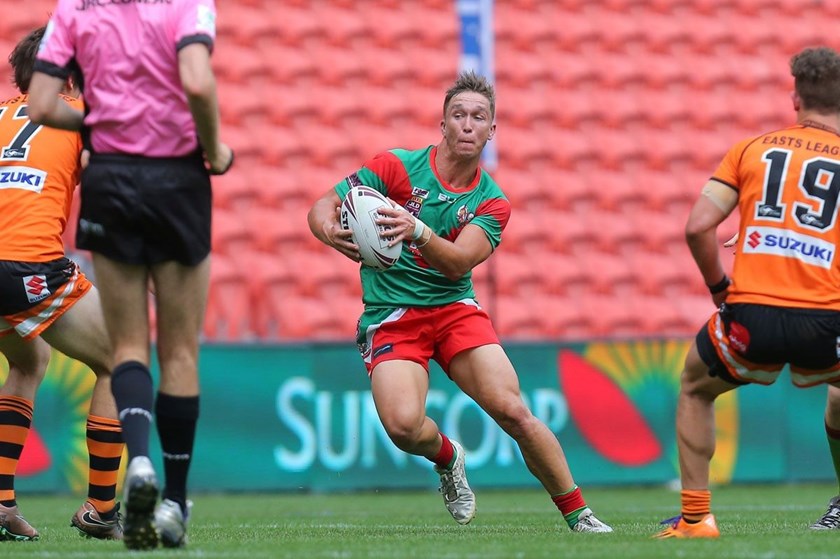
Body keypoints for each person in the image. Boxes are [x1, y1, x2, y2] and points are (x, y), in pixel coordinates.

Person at [307, 70, 612, 533]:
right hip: (393, 316)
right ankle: (449, 458)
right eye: (459, 115)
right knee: (404, 427)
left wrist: (418, 231)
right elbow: (322, 204)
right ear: (442, 124)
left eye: (479, 117)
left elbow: (458, 262)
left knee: (514, 410)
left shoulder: (493, 202)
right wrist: (331, 232)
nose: (468, 124)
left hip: (454, 312)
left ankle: (580, 515)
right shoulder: (396, 167)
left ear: (492, 130)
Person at [28, 0, 233, 550]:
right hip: (178, 179)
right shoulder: (188, 5)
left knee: (126, 347)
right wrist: (216, 150)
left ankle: (137, 463)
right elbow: (197, 81)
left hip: (111, 181)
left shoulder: (72, 8)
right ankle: (174, 501)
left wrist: (98, 121)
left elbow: (43, 103)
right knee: (181, 352)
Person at [654, 46, 840, 539]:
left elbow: (698, 228)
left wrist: (720, 287)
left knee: (695, 387)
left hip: (750, 313)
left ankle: (696, 518)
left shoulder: (752, 149)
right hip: (828, 320)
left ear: (795, 97)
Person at [0, 26, 125, 542]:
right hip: (28, 267)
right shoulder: (76, 117)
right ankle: (100, 507)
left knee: (30, 361)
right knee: (121, 358)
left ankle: (2, 506)